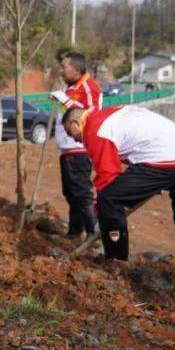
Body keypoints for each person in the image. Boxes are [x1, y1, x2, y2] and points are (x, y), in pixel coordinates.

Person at [62, 105, 175, 275]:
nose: (75, 140)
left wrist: (102, 215)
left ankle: (116, 262)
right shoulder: (108, 114)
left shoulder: (93, 129)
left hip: (163, 158)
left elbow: (108, 177)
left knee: (109, 199)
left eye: (70, 133)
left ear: (75, 122)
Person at [50, 52, 102, 241]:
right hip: (66, 146)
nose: (61, 70)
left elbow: (92, 113)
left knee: (81, 191)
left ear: (77, 70)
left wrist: (66, 101)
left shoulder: (89, 87)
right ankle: (74, 232)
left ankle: (93, 233)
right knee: (71, 192)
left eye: (65, 67)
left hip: (79, 146)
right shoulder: (68, 86)